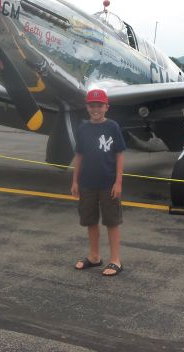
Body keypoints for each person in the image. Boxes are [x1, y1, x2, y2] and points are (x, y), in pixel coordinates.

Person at [71, 88, 126, 276]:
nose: (95, 109)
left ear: (106, 107)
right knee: (90, 220)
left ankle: (115, 259)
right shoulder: (83, 128)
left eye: (99, 105)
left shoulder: (113, 127)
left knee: (112, 221)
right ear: (87, 107)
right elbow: (79, 155)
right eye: (92, 105)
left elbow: (119, 154)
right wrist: (75, 181)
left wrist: (118, 182)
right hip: (87, 183)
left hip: (108, 183)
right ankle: (94, 256)